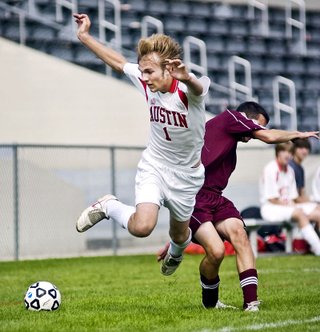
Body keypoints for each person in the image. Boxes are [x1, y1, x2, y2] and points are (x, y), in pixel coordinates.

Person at [73, 13, 210, 276]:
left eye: (149, 71)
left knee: (182, 236)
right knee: (142, 226)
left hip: (188, 175)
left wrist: (187, 77)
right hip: (155, 166)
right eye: (143, 70)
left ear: (168, 69)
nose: (144, 77)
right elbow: (117, 62)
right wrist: (84, 36)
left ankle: (176, 253)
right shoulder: (148, 82)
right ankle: (109, 206)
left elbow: (199, 89)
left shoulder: (186, 91)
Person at [157, 101, 320, 311]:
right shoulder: (232, 117)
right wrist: (298, 134)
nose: (255, 132)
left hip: (215, 197)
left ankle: (251, 303)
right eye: (257, 126)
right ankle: (209, 301)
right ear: (246, 117)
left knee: (240, 234)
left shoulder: (229, 134)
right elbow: (268, 136)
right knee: (216, 252)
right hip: (193, 197)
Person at [260, 142, 320, 256]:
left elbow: (293, 197)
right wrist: (295, 208)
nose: (287, 155)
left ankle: (313, 245)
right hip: (270, 208)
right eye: (284, 152)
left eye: (290, 152)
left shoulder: (290, 171)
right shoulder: (271, 169)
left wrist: (296, 206)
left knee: (318, 210)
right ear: (278, 153)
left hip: (286, 206)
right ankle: (318, 249)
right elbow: (272, 199)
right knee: (299, 214)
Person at [289, 138, 312, 202]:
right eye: (301, 148)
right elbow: (293, 197)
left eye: (306, 148)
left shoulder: (301, 169)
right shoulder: (290, 167)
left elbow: (302, 192)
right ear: (294, 149)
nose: (304, 151)